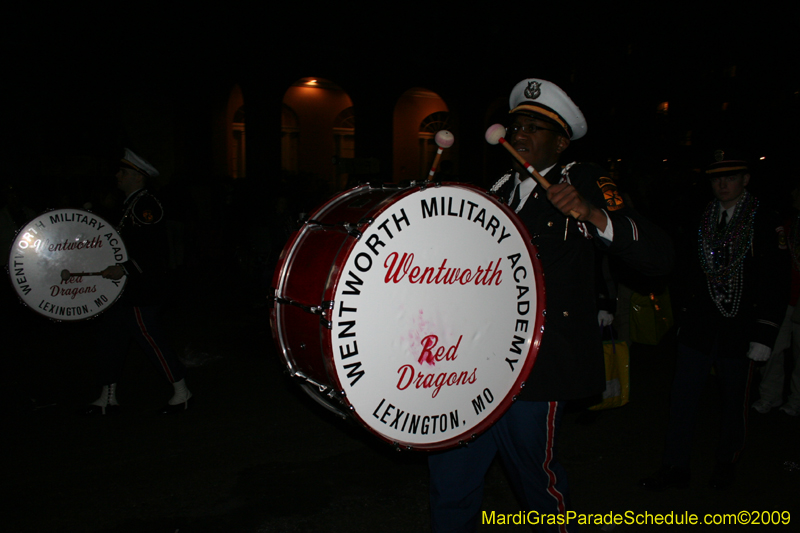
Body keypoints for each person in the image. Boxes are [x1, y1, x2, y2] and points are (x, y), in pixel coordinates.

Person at [428, 79, 673, 533]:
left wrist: (593, 215)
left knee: (537, 485)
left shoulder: (582, 178)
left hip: (539, 365)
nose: (519, 133)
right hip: (475, 364)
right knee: (451, 479)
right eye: (516, 125)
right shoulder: (498, 188)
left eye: (533, 127)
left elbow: (658, 255)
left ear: (560, 142)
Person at [639, 153, 788, 491]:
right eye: (717, 178)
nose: (723, 184)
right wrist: (683, 318)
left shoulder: (764, 219)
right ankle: (675, 465)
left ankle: (726, 462)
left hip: (740, 329)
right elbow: (685, 271)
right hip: (699, 328)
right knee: (682, 400)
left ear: (745, 180)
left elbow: (775, 279)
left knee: (734, 403)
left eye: (731, 177)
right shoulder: (701, 216)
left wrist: (764, 333)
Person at [83, 148, 191, 415]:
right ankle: (108, 396)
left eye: (123, 172)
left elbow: (152, 250)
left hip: (143, 289)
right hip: (127, 289)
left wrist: (124, 268)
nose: (117, 176)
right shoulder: (130, 204)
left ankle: (182, 392)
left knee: (150, 338)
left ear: (137, 177)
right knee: (112, 338)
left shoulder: (146, 206)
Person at [752, 184, 800, 416]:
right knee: (772, 349)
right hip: (785, 298)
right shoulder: (787, 224)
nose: (793, 195)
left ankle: (797, 400)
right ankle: (769, 396)